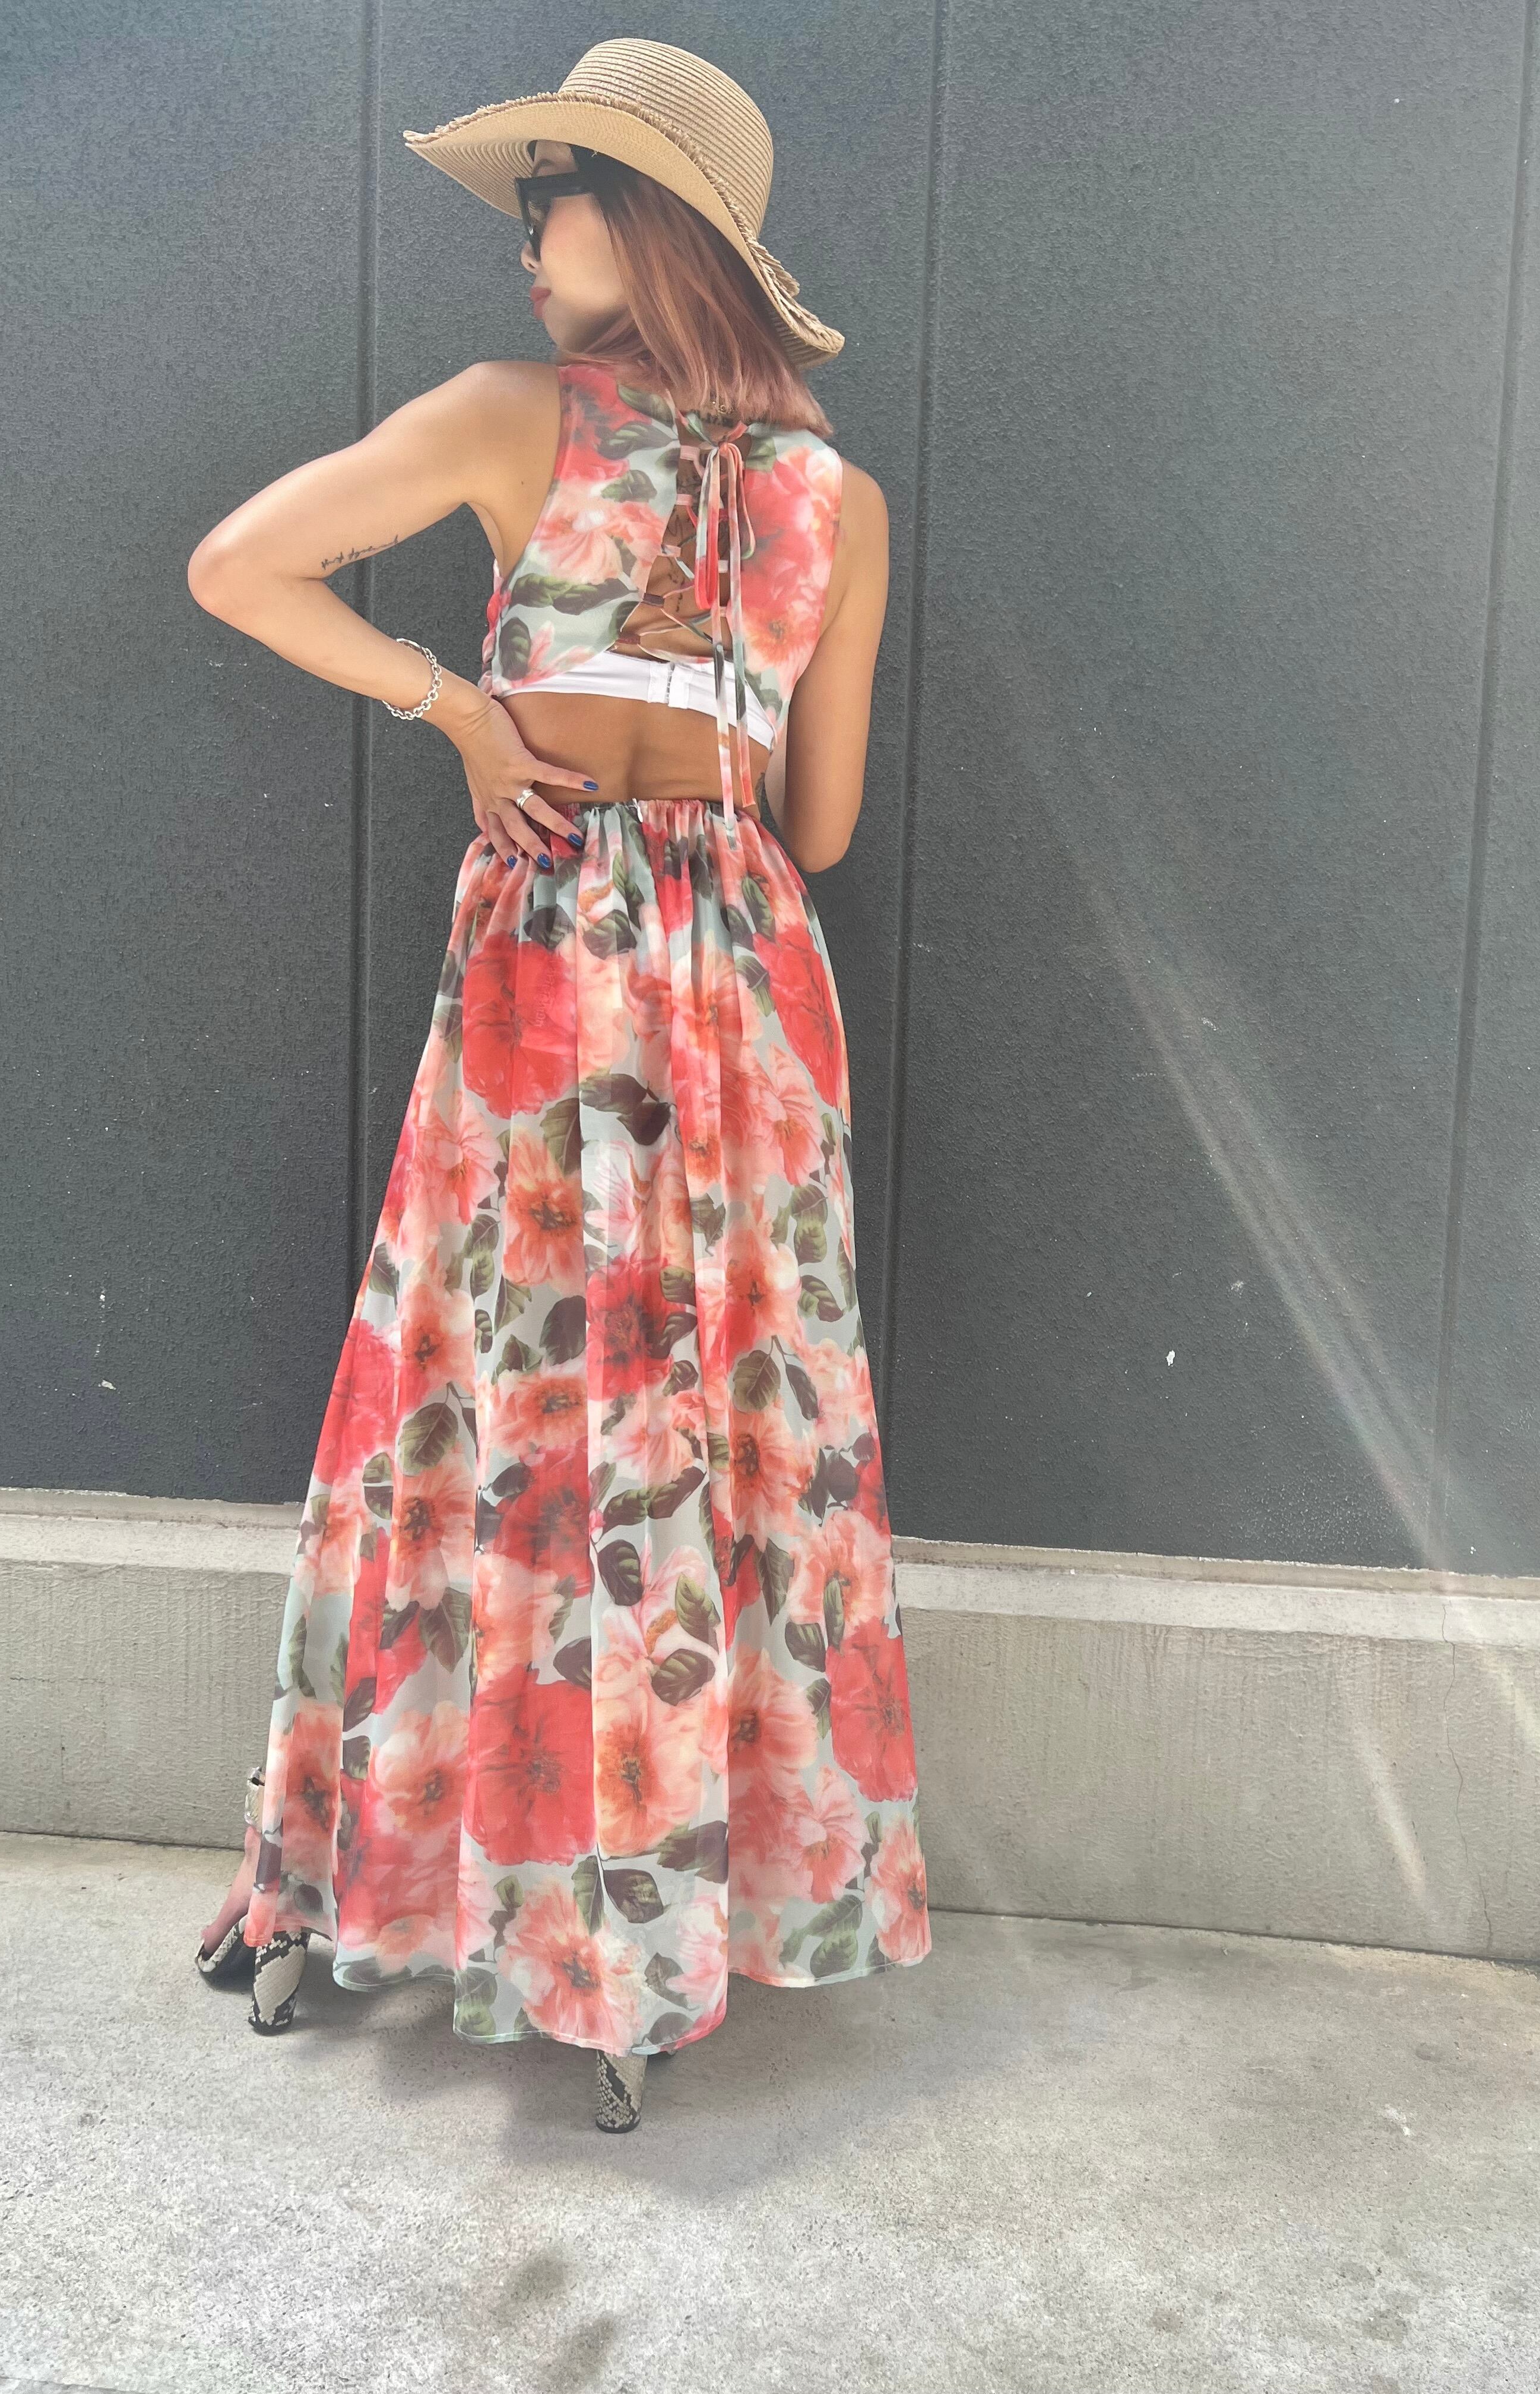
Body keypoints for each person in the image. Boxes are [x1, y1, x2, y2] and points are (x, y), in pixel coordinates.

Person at [185, 37, 930, 2135]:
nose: (526, 242)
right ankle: (661, 1923)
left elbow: (238, 566)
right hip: (748, 994)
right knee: (729, 1415)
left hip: (558, 959)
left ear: (646, 221)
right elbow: (821, 821)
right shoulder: (843, 500)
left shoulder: (514, 418)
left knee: (486, 1398)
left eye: (553, 200)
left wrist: (460, 706)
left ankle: (400, 1885)